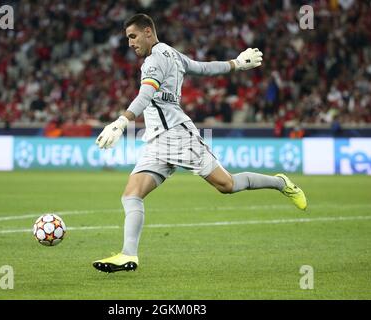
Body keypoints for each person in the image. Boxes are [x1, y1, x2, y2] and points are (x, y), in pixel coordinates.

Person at [93, 14, 307, 273]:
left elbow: (145, 93)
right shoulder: (172, 54)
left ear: (148, 31)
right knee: (131, 195)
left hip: (178, 137)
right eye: (128, 38)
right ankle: (128, 255)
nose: (130, 43)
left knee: (227, 185)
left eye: (133, 36)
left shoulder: (154, 60)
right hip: (157, 141)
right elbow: (203, 68)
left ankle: (280, 182)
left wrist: (121, 122)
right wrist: (236, 63)